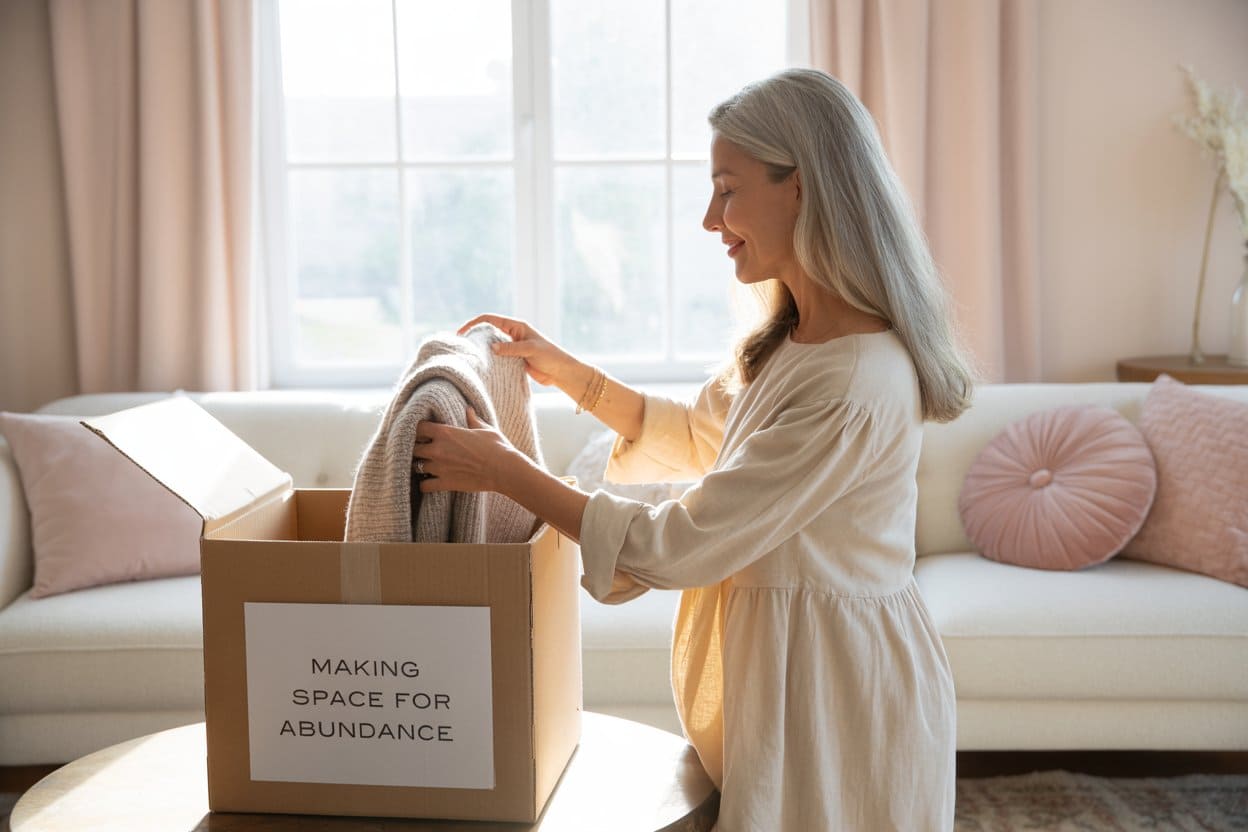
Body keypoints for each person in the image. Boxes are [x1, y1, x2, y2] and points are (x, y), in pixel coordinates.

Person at [412, 67, 974, 831]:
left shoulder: (853, 378)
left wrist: (506, 473)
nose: (713, 219)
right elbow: (699, 435)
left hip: (837, 694)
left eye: (728, 188)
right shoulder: (793, 341)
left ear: (801, 189)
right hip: (794, 680)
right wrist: (571, 374)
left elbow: (679, 545)